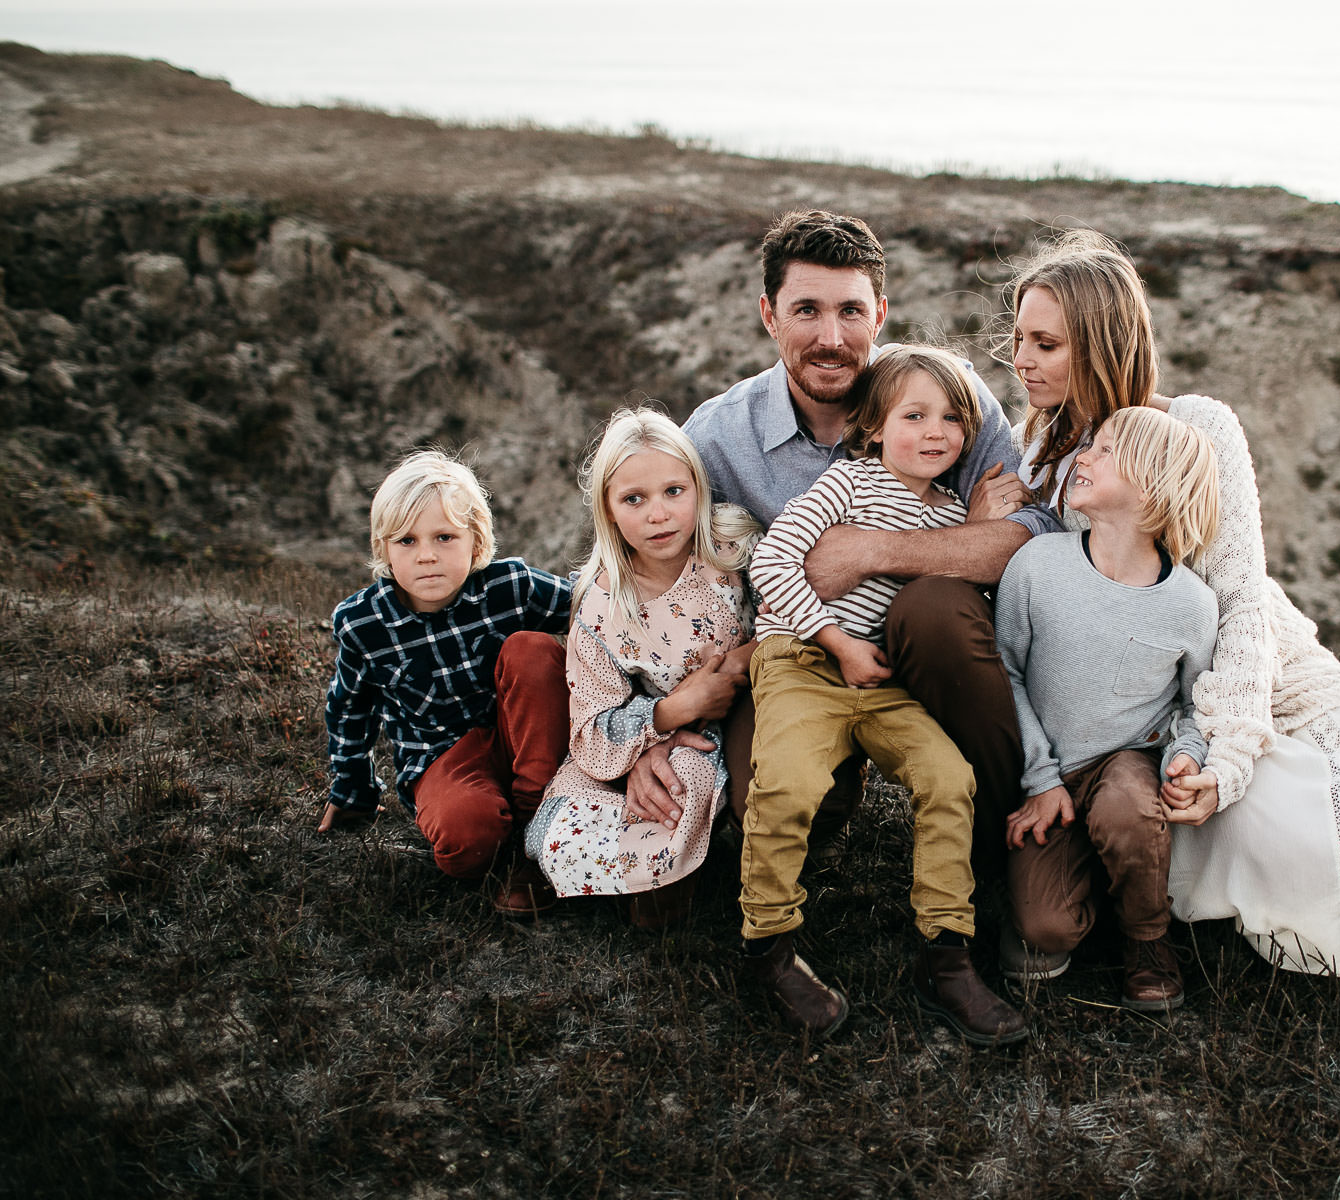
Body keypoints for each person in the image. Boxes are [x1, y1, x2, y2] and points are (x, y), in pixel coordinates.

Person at [1006, 229, 1340, 997]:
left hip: (1256, 659)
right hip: (1144, 700)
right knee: (1255, 818)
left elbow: (1244, 602)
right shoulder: (1042, 459)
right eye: (1019, 338)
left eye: (1045, 343)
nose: (1021, 360)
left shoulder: (1200, 426)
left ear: (1101, 344)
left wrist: (1230, 754)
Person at [658, 209, 1038, 885]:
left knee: (937, 608)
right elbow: (661, 584)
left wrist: (869, 551)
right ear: (769, 314)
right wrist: (660, 723)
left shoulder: (944, 398)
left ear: (881, 313)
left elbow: (1024, 541)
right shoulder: (715, 439)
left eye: (851, 312)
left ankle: (1005, 835)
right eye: (806, 310)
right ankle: (831, 793)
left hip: (921, 646)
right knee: (771, 811)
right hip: (790, 656)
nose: (831, 338)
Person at [739, 345, 1028, 1044]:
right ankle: (767, 947)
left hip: (879, 681)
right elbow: (770, 563)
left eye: (953, 418)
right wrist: (837, 643)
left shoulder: (950, 512)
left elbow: (969, 592)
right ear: (871, 428)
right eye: (915, 415)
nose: (937, 432)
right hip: (804, 661)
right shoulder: (845, 484)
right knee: (785, 783)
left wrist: (977, 529)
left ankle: (946, 956)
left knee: (947, 778)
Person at [997, 406, 1220, 1013]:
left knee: (1126, 804)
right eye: (1086, 447)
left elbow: (1192, 706)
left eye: (1104, 450)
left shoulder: (1191, 605)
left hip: (1125, 760)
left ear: (1153, 484)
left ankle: (1147, 939)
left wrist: (1184, 756)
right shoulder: (1038, 566)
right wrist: (1041, 777)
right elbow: (1005, 672)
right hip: (1045, 771)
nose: (1083, 457)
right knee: (1041, 938)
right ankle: (1093, 876)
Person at [523, 409, 761, 929]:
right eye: (634, 499)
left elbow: (788, 610)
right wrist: (668, 717)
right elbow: (590, 726)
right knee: (565, 828)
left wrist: (743, 660)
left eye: (674, 491)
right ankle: (637, 879)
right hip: (656, 733)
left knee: (688, 780)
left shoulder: (733, 548)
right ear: (608, 511)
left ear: (699, 488)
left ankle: (667, 878)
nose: (658, 514)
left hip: (738, 719)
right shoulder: (602, 605)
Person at [321, 448, 572, 917]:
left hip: (526, 741)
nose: (427, 557)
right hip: (442, 757)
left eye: (444, 537)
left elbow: (594, 605)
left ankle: (544, 826)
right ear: (384, 549)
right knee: (465, 841)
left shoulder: (510, 585)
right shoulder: (363, 624)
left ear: (476, 542)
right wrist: (352, 792)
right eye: (407, 542)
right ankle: (499, 839)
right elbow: (350, 710)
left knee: (532, 649)